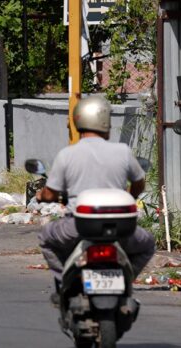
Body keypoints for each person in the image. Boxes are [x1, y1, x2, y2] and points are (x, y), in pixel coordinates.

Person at [36, 95, 156, 282]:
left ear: (78, 123)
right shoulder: (123, 151)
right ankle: (125, 280)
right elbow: (139, 183)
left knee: (45, 237)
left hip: (78, 227)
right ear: (106, 124)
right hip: (119, 228)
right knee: (147, 242)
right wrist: (128, 196)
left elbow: (51, 194)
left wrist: (41, 196)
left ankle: (65, 281)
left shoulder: (67, 155)